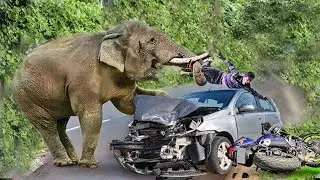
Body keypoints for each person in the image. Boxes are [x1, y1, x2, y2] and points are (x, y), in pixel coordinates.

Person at [188, 53, 267, 100]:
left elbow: (254, 93)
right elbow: (231, 65)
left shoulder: (246, 87)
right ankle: (208, 60)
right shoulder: (236, 75)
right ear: (245, 76)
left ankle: (189, 73)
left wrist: (262, 97)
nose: (248, 81)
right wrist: (223, 58)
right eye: (248, 79)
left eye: (250, 81)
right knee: (204, 69)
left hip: (216, 81)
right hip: (218, 74)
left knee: (203, 78)